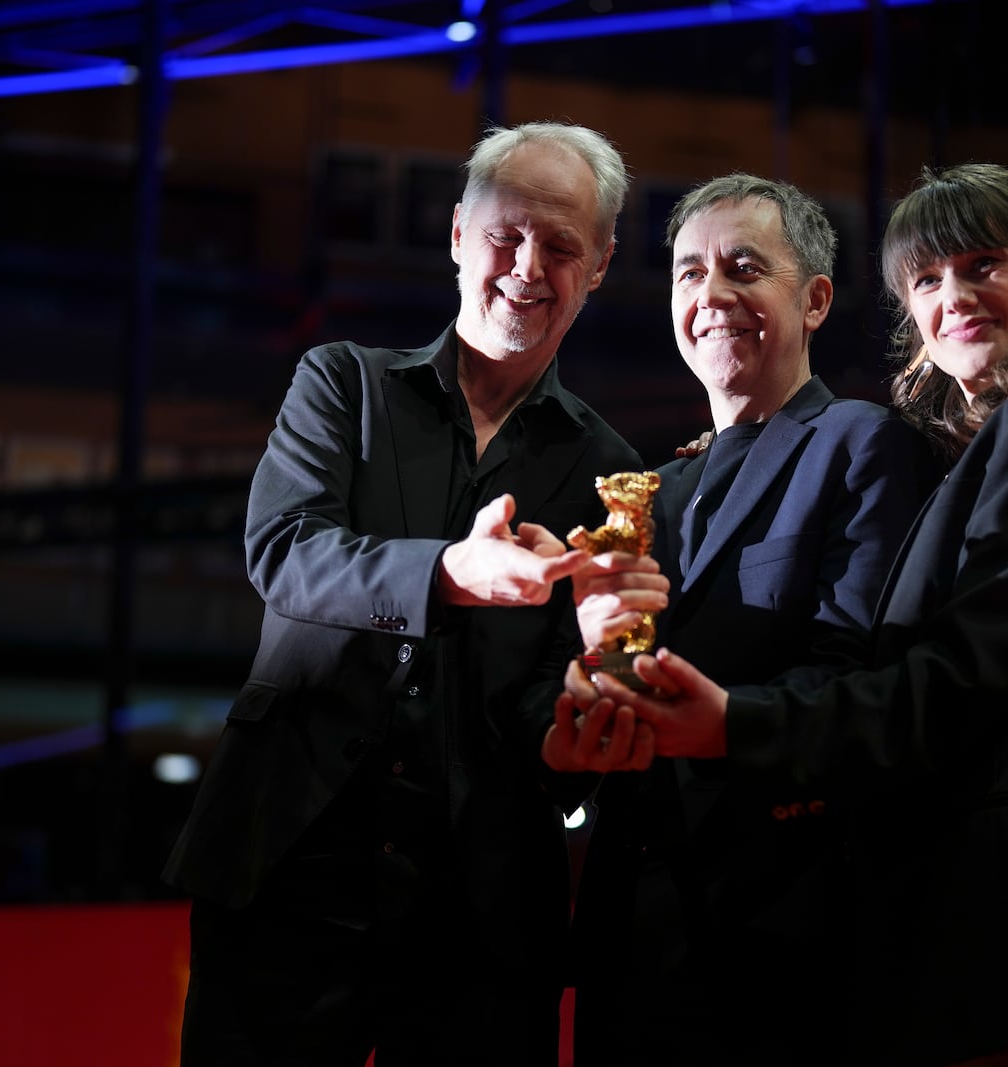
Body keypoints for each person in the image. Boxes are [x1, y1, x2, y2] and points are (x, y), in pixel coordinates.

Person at [581, 162, 1008, 1066]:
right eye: (926, 281)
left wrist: (736, 724)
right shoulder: (980, 448)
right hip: (933, 920)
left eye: (981, 265)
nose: (955, 296)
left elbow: (951, 678)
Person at [162, 121, 642, 1067]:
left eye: (562, 247)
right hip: (286, 868)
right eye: (507, 235)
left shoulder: (612, 471)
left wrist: (580, 723)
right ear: (459, 233)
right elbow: (286, 552)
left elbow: (554, 705)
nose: (527, 267)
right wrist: (446, 573)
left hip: (483, 917)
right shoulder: (343, 383)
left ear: (601, 268)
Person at [543, 174, 943, 1066]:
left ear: (815, 300)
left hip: (780, 934)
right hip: (628, 941)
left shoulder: (862, 442)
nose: (710, 294)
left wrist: (713, 724)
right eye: (688, 274)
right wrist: (586, 689)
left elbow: (859, 673)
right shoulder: (653, 489)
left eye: (743, 268)